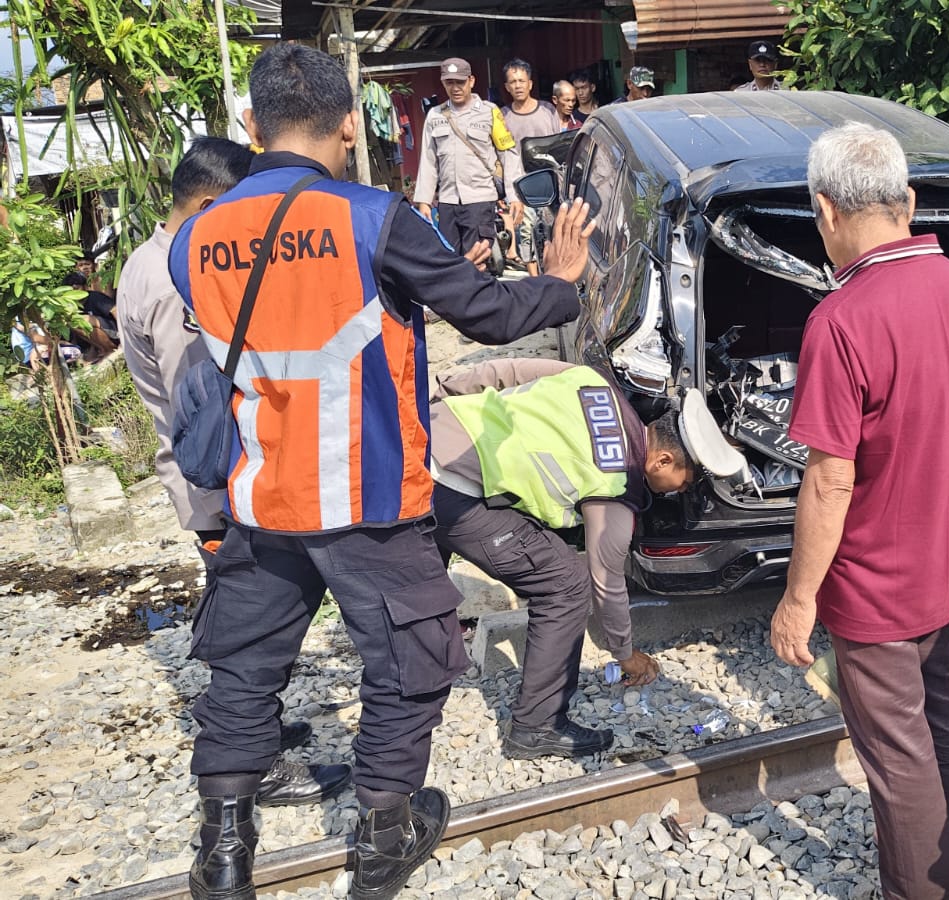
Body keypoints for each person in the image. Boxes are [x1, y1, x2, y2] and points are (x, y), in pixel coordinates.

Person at [170, 43, 594, 900]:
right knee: (411, 660)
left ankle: (222, 857)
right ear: (344, 126)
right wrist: (557, 284)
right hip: (365, 498)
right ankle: (383, 839)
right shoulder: (374, 217)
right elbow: (482, 313)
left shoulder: (196, 238)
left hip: (259, 502)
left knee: (244, 673)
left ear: (252, 126)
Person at [768, 121, 949, 900]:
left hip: (872, 584)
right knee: (942, 711)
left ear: (826, 212)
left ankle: (923, 891)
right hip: (948, 558)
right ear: (906, 201)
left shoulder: (842, 319)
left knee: (896, 753)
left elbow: (830, 479)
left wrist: (799, 597)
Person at [119, 137, 350, 807]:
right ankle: (256, 766)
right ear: (212, 205)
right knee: (247, 628)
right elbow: (204, 406)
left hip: (208, 477)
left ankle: (258, 734)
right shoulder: (174, 280)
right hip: (216, 482)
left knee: (249, 618)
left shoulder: (149, 259)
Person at [429, 359, 738, 758]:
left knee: (417, 581)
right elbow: (605, 582)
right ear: (662, 461)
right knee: (565, 584)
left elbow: (500, 371)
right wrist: (625, 654)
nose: (678, 491)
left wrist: (437, 391)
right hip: (451, 485)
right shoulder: (615, 485)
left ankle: (422, 675)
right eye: (685, 481)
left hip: (424, 435)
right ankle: (536, 727)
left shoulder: (593, 382)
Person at [414, 57, 525, 261]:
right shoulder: (434, 116)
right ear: (443, 83)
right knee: (450, 263)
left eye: (460, 82)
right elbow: (428, 161)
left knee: (479, 264)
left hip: (480, 201)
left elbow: (509, 156)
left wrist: (514, 196)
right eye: (450, 83)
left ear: (471, 81)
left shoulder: (490, 112)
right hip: (448, 203)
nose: (455, 88)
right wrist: (424, 202)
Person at [499, 58, 544, 143]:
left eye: (521, 81)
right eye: (513, 82)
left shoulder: (548, 110)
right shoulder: (502, 115)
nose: (518, 86)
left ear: (530, 84)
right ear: (507, 87)